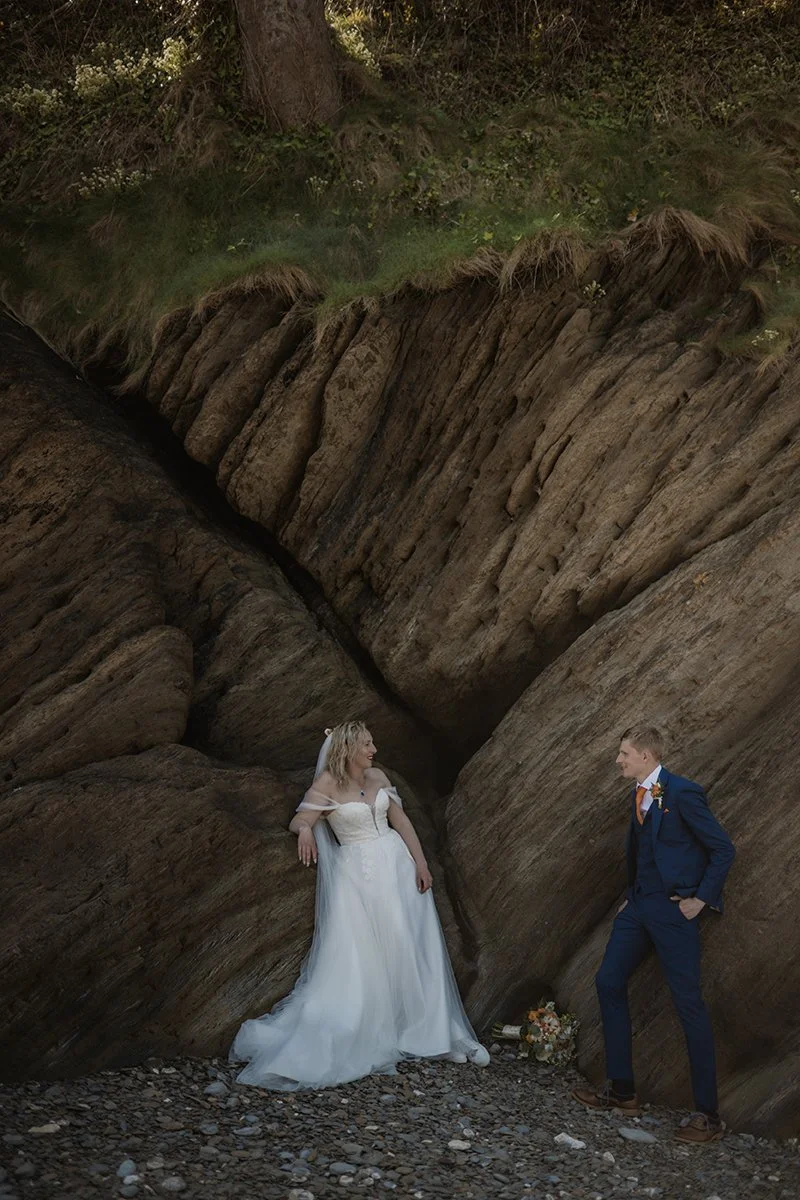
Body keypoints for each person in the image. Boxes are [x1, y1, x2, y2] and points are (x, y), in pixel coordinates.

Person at [230, 720, 489, 1089]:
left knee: (412, 948)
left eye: (372, 743)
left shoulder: (379, 777)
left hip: (398, 869)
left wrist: (421, 863)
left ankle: (434, 1034)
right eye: (367, 744)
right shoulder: (327, 785)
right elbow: (301, 818)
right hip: (359, 879)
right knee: (367, 957)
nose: (374, 749)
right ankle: (390, 1031)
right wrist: (305, 830)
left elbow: (402, 823)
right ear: (348, 748)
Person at [573, 724, 735, 1145]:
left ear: (645, 756)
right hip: (639, 907)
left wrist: (701, 899)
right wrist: (632, 895)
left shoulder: (682, 792)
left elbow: (723, 849)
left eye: (624, 753)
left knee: (688, 1003)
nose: (618, 760)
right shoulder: (638, 794)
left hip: (675, 912)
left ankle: (708, 1116)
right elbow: (642, 851)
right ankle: (622, 1090)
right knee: (607, 980)